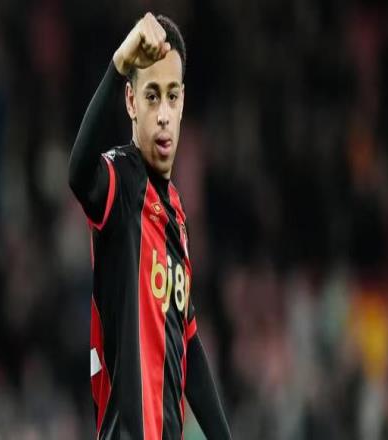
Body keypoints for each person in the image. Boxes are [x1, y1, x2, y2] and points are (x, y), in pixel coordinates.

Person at [68, 12, 231, 440]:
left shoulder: (176, 212)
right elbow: (79, 174)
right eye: (152, 96)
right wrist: (119, 63)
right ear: (130, 101)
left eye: (172, 96)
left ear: (183, 102)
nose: (163, 114)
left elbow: (188, 342)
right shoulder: (119, 181)